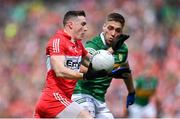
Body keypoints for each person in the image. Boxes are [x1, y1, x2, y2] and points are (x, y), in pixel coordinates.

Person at [34, 10, 108, 118]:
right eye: (82, 24)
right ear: (71, 25)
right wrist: (85, 76)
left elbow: (94, 63)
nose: (86, 28)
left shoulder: (78, 44)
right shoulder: (58, 41)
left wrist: (113, 68)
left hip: (63, 99)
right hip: (54, 98)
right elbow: (60, 71)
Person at [72, 12, 136, 118]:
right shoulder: (93, 44)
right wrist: (111, 51)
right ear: (104, 27)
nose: (113, 33)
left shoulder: (123, 49)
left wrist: (131, 91)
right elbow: (89, 65)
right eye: (110, 28)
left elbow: (125, 69)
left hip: (100, 100)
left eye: (118, 30)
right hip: (82, 93)